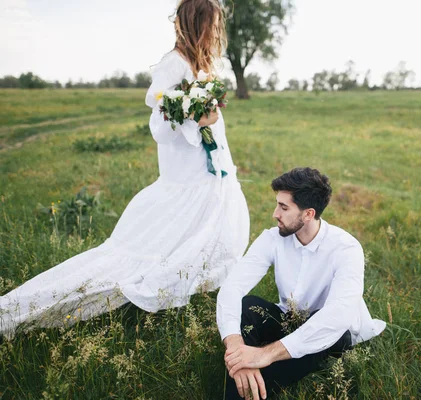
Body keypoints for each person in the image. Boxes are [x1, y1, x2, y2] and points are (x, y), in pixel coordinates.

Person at [0, 0, 249, 337]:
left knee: (209, 230)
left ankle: (194, 290)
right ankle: (23, 308)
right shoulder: (172, 64)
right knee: (150, 246)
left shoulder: (202, 63)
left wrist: (209, 118)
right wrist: (195, 117)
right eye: (211, 24)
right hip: (185, 174)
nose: (215, 31)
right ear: (196, 23)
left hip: (209, 168)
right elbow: (160, 122)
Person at [217, 167, 386, 399]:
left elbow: (338, 315)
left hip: (329, 332)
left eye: (284, 207)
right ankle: (244, 368)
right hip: (288, 318)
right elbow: (232, 287)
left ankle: (246, 388)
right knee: (247, 305)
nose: (275, 213)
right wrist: (235, 345)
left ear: (308, 214)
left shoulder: (346, 248)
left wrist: (266, 354)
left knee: (329, 329)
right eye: (277, 204)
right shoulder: (273, 238)